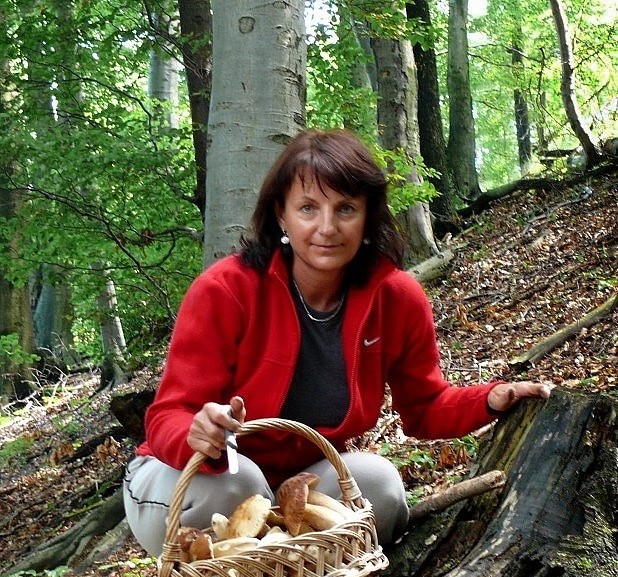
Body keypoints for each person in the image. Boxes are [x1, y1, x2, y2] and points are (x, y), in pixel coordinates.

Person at [123, 128, 550, 555]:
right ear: (281, 215)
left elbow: (423, 407)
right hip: (187, 477)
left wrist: (490, 399)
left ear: (368, 217)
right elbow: (167, 415)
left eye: (345, 208)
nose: (327, 227)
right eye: (308, 208)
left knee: (379, 487)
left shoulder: (396, 298)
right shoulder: (226, 289)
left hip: (297, 482)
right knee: (239, 483)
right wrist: (196, 432)